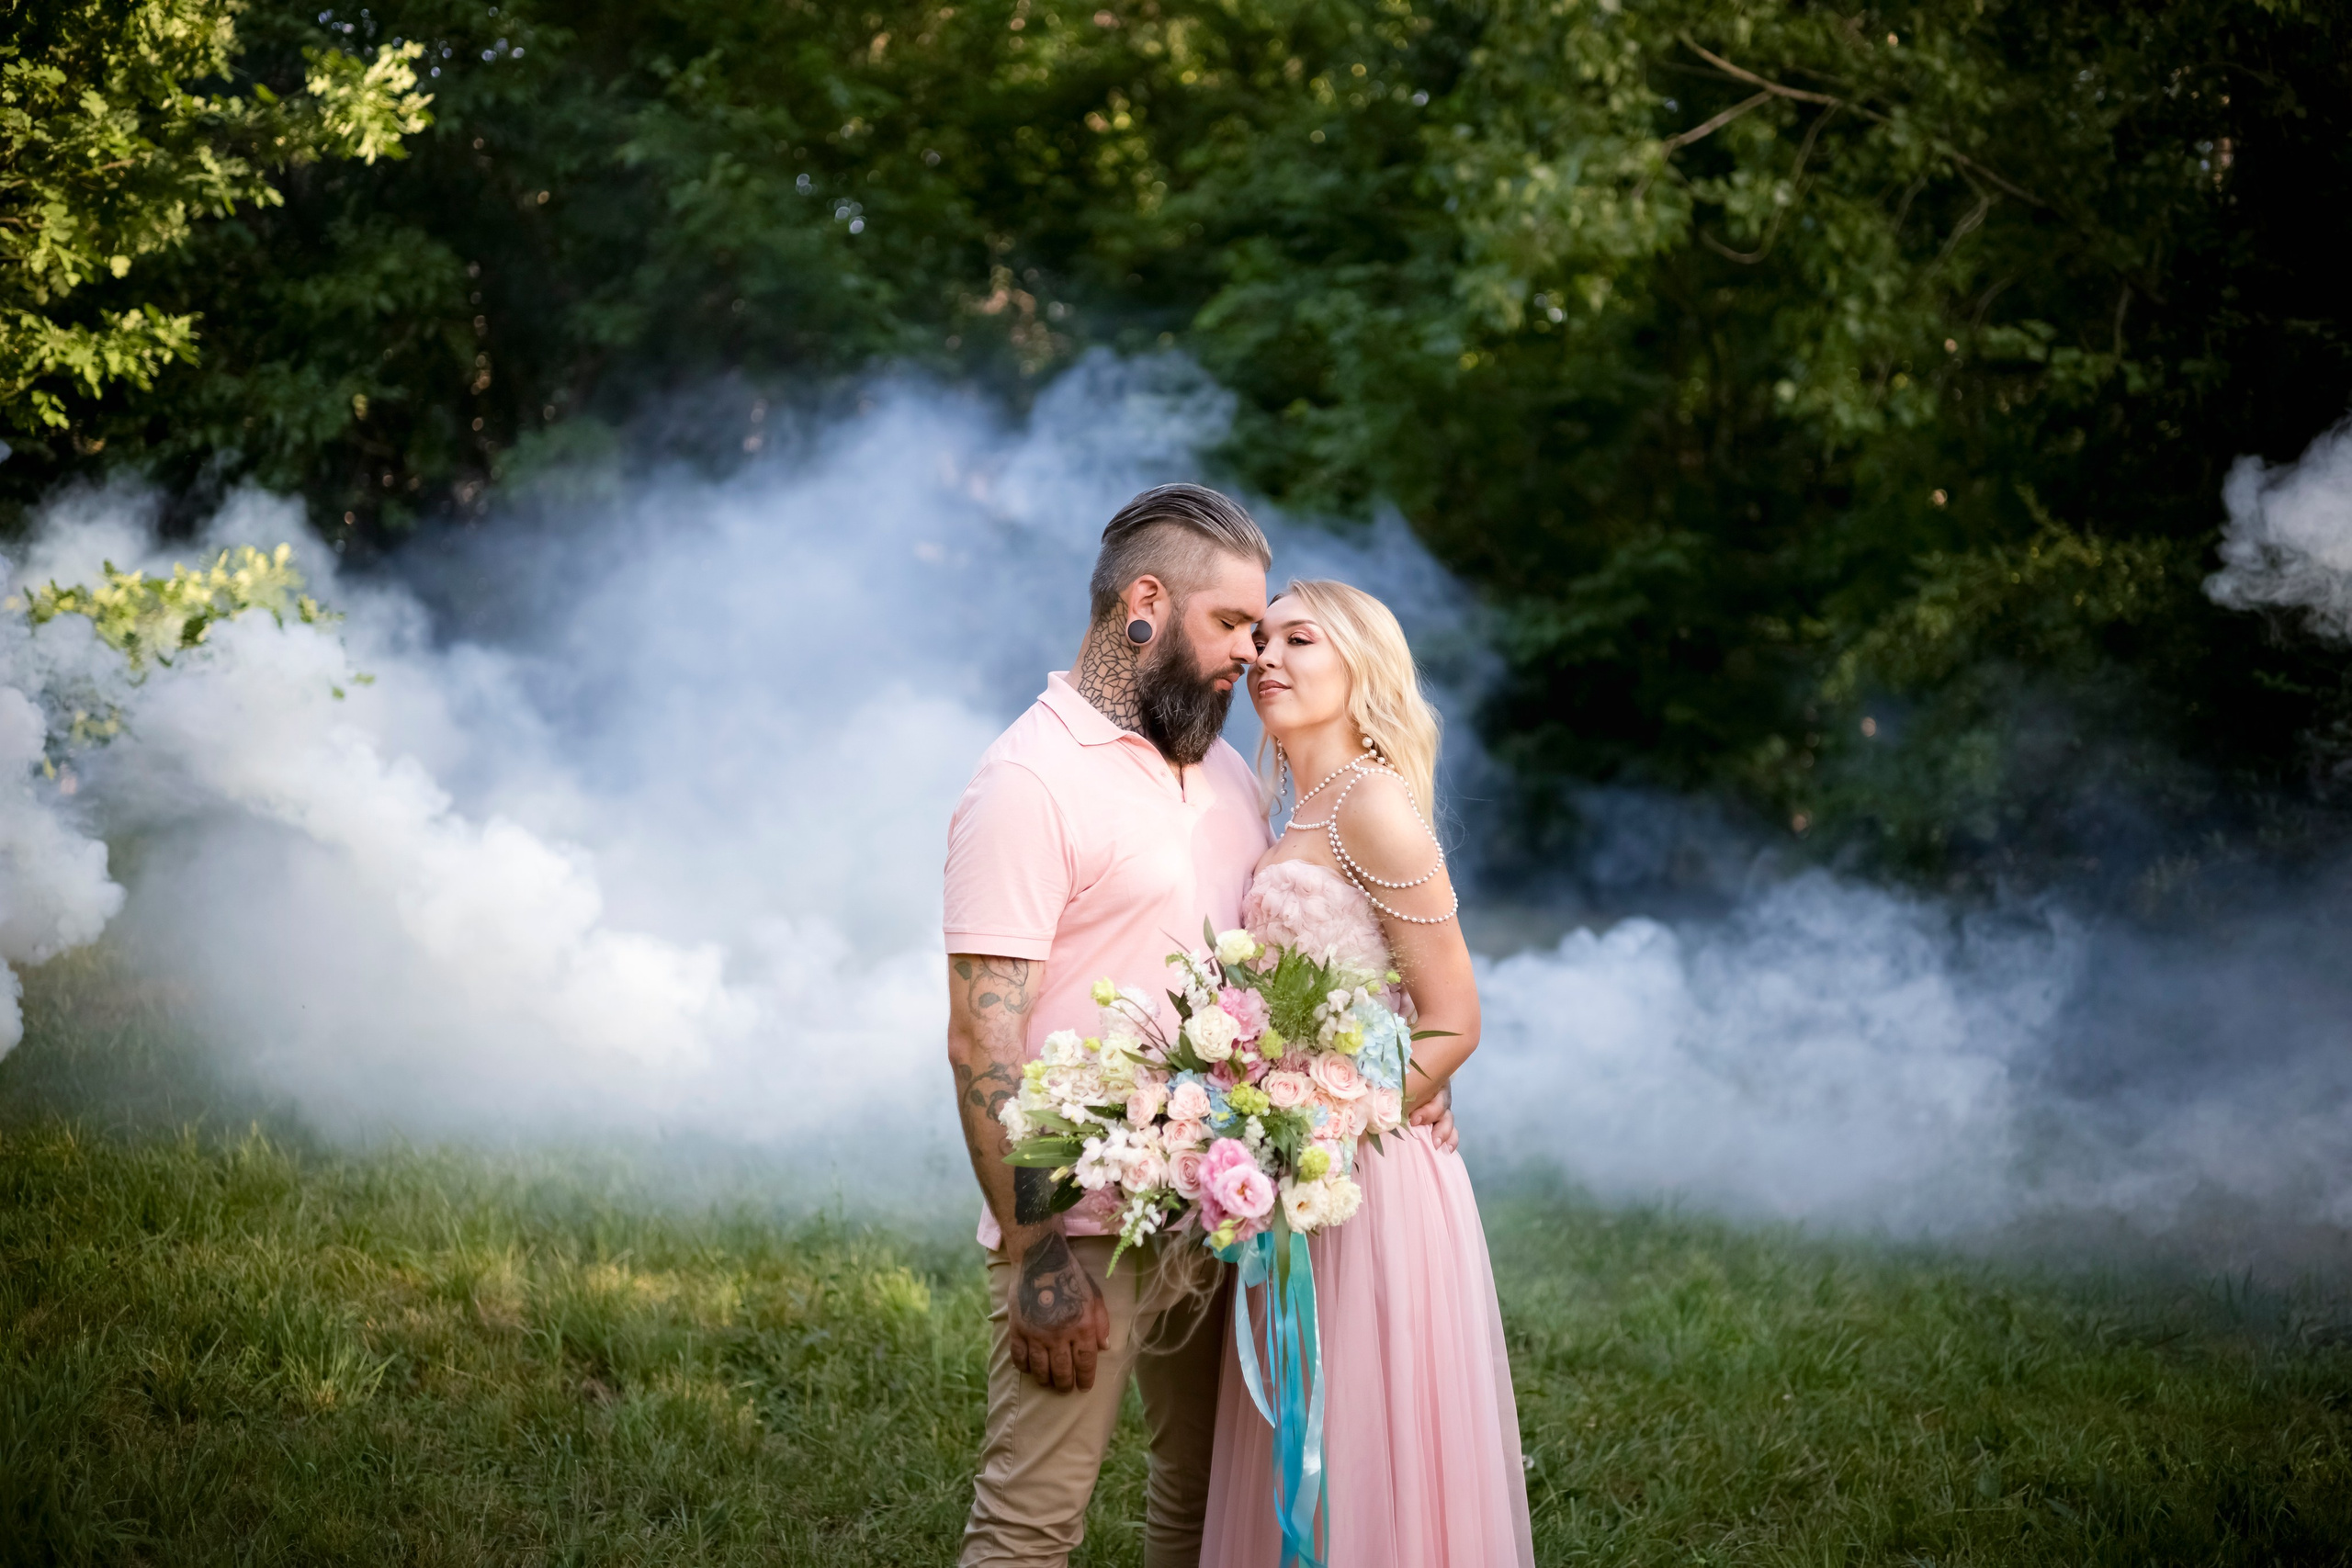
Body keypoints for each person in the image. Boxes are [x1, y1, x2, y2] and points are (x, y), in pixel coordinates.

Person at [943, 489, 1462, 1568]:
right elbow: (981, 1044)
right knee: (1029, 1527)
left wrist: (1405, 1055)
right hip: (1083, 1228)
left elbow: (1311, 954)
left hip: (1222, 1215)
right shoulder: (1028, 782)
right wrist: (1039, 1252)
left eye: (1273, 632)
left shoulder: (1221, 768)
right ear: (1145, 604)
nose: (1251, 655)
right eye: (1235, 627)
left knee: (1206, 1507)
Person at [1202, 579, 1535, 1567]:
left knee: (1364, 1435)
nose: (1267, 657)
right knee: (1301, 1431)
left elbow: (1454, 1019)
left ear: (1362, 669)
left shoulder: (1372, 805)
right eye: (1259, 639)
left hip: (1363, 1177)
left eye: (1298, 639)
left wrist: (1327, 1134)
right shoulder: (1293, 809)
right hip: (1294, 1170)